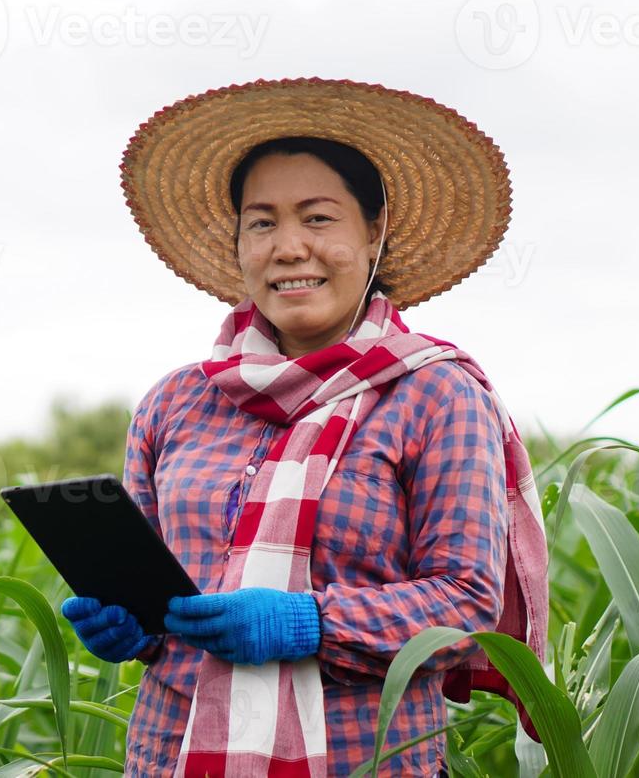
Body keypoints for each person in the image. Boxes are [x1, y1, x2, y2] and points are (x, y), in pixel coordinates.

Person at [61, 78, 549, 777]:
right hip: (173, 755)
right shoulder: (175, 403)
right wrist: (128, 627)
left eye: (318, 219)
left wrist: (306, 623)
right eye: (262, 223)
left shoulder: (436, 395)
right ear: (238, 243)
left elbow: (468, 608)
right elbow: (154, 593)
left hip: (365, 759)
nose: (289, 247)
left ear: (374, 231)